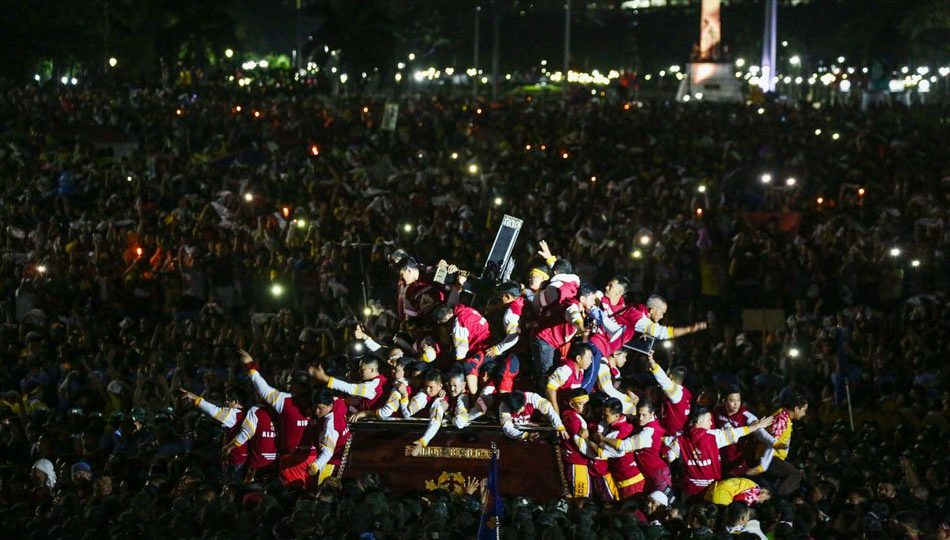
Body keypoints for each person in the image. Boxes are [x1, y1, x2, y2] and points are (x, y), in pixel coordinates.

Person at [240, 349, 317, 487]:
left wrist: (250, 366)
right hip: (314, 458)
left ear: (299, 386)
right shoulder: (320, 401)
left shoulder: (285, 400)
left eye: (292, 383)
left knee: (292, 494)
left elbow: (262, 389)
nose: (289, 385)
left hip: (292, 459)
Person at [666, 407, 774, 499]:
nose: (711, 422)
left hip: (689, 489)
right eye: (708, 420)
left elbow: (670, 457)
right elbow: (737, 433)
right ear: (699, 422)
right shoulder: (714, 436)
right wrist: (756, 426)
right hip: (711, 489)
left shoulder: (679, 438)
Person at [599, 400, 671, 493]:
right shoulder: (642, 423)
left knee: (661, 504)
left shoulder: (649, 432)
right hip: (647, 474)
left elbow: (624, 446)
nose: (640, 418)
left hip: (658, 474)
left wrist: (602, 439)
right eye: (638, 414)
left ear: (652, 414)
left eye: (644, 415)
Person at [180, 386, 249, 480]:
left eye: (228, 400)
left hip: (236, 463)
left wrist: (195, 398)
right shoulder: (247, 414)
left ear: (236, 402)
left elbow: (213, 411)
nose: (225, 402)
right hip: (240, 461)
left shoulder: (235, 414)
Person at [532, 285, 598, 382]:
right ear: (582, 298)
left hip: (552, 341)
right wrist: (582, 328)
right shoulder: (571, 308)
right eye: (592, 299)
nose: (593, 302)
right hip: (545, 339)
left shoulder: (581, 308)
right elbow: (576, 319)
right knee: (547, 375)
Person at [748, 393, 808, 496]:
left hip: (771, 458)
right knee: (795, 474)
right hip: (769, 458)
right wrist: (763, 466)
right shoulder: (781, 419)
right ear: (796, 409)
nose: (805, 414)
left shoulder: (783, 416)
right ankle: (776, 499)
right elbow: (771, 443)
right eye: (804, 410)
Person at [409, 369, 474, 456]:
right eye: (450, 385)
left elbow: (460, 422)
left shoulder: (463, 398)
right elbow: (436, 417)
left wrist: (448, 417)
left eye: (455, 386)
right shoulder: (441, 396)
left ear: (463, 385)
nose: (451, 388)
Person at [591, 397, 645, 499]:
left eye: (606, 415)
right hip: (623, 478)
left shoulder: (621, 432)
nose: (602, 417)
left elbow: (603, 452)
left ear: (617, 415)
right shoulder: (618, 423)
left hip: (630, 481)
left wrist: (595, 440)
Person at [433, 303, 491, 394]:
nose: (445, 325)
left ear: (449, 315)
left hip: (484, 349)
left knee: (466, 365)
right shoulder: (465, 309)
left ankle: (473, 394)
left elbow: (461, 355)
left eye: (444, 322)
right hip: (486, 340)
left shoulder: (458, 326)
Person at [310, 357, 388, 412]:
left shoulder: (373, 386)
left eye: (362, 369)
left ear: (371, 370)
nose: (359, 371)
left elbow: (351, 388)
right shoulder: (376, 380)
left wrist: (325, 378)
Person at [713, 384, 759, 475]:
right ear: (724, 401)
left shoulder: (745, 414)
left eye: (738, 400)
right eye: (732, 400)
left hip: (739, 462)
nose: (736, 404)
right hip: (720, 460)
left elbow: (759, 428)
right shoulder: (717, 411)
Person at [647, 353, 693, 435]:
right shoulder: (686, 392)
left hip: (673, 437)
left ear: (670, 376)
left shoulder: (677, 392)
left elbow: (664, 382)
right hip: (676, 434)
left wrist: (654, 366)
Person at [546, 341, 595, 415]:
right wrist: (556, 414)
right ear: (578, 358)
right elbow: (549, 389)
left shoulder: (580, 370)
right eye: (589, 358)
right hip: (560, 409)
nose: (591, 361)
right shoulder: (566, 369)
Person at [498, 390, 567, 441]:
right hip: (517, 433)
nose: (517, 414)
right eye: (514, 411)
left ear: (524, 404)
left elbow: (550, 411)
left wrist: (559, 426)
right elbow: (507, 428)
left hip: (536, 428)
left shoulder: (534, 398)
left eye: (518, 410)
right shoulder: (504, 406)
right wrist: (525, 435)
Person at [705, 477, 771, 506]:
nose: (762, 502)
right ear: (764, 493)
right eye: (765, 500)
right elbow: (738, 501)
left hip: (715, 487)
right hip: (722, 495)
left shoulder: (752, 485)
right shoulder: (754, 493)